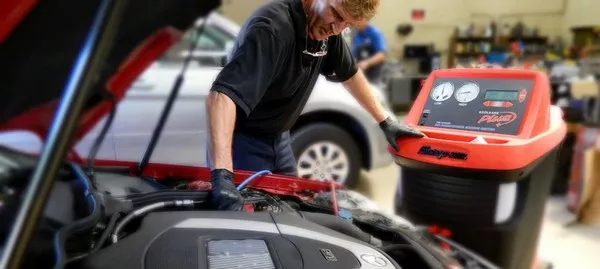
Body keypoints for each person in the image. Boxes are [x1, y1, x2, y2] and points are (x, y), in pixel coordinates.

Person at [205, 0, 424, 211]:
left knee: (287, 210)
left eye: (346, 24)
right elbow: (222, 96)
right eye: (337, 15)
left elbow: (351, 74)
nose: (337, 29)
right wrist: (222, 175)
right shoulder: (272, 28)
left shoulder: (328, 28)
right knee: (248, 223)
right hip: (244, 144)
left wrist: (386, 122)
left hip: (280, 141)